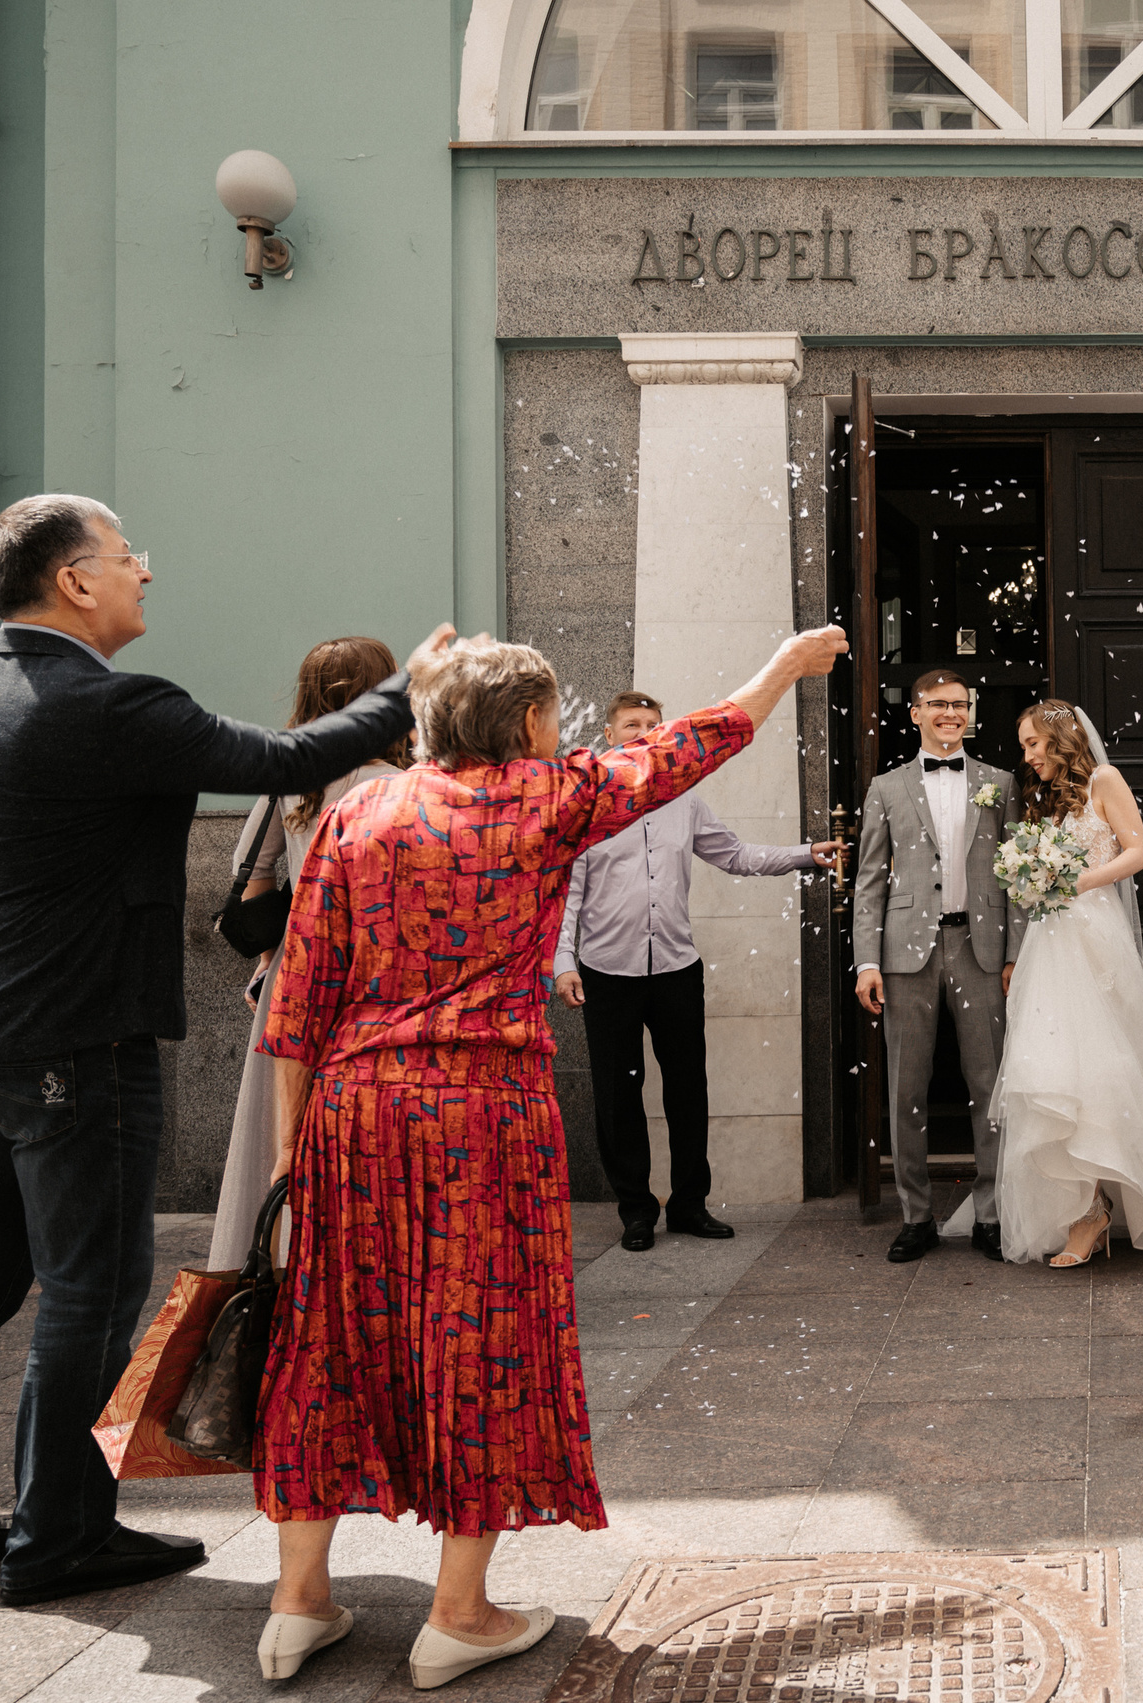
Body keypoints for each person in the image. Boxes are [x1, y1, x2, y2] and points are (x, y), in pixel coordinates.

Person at [0, 494, 439, 1608]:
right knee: (90, 1287)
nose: (145, 573)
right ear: (75, 581)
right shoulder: (111, 705)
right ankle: (59, 1532)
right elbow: (284, 754)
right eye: (127, 557)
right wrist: (407, 687)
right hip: (78, 1036)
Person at [250, 625, 846, 1688]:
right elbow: (693, 746)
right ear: (529, 723)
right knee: (480, 1340)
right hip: (482, 1110)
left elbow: (296, 1004)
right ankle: (459, 1611)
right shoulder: (545, 798)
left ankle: (297, 1602)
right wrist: (783, 668)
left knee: (328, 1335)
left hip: (353, 1106)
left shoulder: (357, 809)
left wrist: (295, 1155)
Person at [553, 689, 842, 1251]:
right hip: (606, 973)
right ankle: (636, 1210)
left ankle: (689, 1204)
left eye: (653, 724)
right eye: (632, 724)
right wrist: (563, 963)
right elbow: (568, 895)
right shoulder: (586, 806)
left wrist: (807, 854)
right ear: (609, 736)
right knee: (619, 1095)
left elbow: (735, 855)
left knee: (689, 1090)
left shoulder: (684, 800)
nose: (643, 732)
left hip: (677, 969)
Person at [984, 700, 1143, 1266]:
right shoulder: (1043, 797)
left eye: (1033, 744)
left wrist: (1076, 881)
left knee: (1101, 1071)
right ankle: (1083, 1209)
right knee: (1050, 1070)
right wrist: (1035, 881)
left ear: (1060, 738)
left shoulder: (1104, 779)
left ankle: (1102, 1206)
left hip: (1096, 939)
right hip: (1050, 945)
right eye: (1024, 747)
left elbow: (1139, 852)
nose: (1028, 756)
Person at [206, 637, 411, 1272]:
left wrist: (274, 951)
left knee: (283, 1142)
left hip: (297, 980)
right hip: (382, 988)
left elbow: (253, 874)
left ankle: (282, 1266)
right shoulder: (404, 785)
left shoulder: (293, 781)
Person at [851, 669, 1027, 1263]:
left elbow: (1019, 877)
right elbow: (870, 881)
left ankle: (992, 1213)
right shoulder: (886, 787)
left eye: (960, 704)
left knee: (989, 1086)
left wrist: (1014, 956)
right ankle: (915, 1215)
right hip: (905, 955)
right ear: (916, 713)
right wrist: (865, 962)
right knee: (907, 1088)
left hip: (980, 950)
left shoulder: (1001, 784)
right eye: (938, 704)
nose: (951, 713)